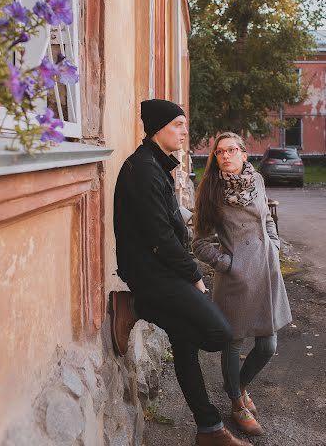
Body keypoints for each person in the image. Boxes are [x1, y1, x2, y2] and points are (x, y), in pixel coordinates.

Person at [110, 100, 250, 446]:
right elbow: (159, 237)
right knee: (219, 334)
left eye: (184, 124)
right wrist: (194, 276)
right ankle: (135, 307)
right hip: (152, 274)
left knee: (185, 343)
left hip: (162, 269)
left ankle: (210, 430)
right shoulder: (142, 169)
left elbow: (168, 229)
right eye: (177, 124)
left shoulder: (156, 165)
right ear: (157, 128)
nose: (184, 131)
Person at [193, 132, 292, 437]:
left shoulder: (257, 180)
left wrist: (273, 245)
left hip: (266, 272)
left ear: (244, 154)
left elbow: (268, 219)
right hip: (236, 280)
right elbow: (200, 243)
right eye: (220, 151)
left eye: (232, 150)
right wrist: (228, 264)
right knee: (233, 343)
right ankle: (237, 403)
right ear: (215, 157)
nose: (226, 155)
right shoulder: (210, 190)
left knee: (268, 344)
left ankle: (238, 384)